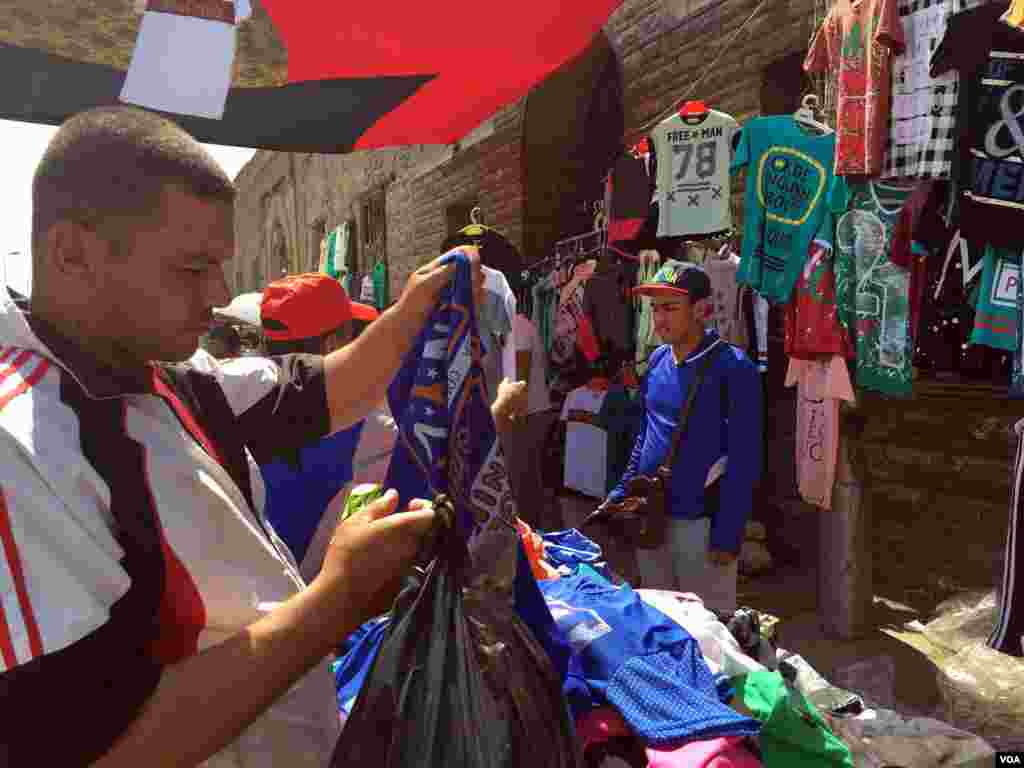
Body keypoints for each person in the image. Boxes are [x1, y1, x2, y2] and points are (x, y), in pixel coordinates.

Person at [0, 106, 484, 767]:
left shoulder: (160, 366)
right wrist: (338, 598)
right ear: (72, 253)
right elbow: (101, 751)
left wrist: (410, 313)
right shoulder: (20, 448)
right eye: (192, 268)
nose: (221, 294)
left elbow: (318, 395)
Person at [601, 260, 763, 613]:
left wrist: (728, 531)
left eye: (671, 308)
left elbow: (745, 456)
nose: (659, 319)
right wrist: (621, 491)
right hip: (651, 515)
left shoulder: (733, 367)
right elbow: (645, 435)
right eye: (655, 308)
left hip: (701, 523)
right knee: (662, 619)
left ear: (702, 310)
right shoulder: (658, 360)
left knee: (709, 630)